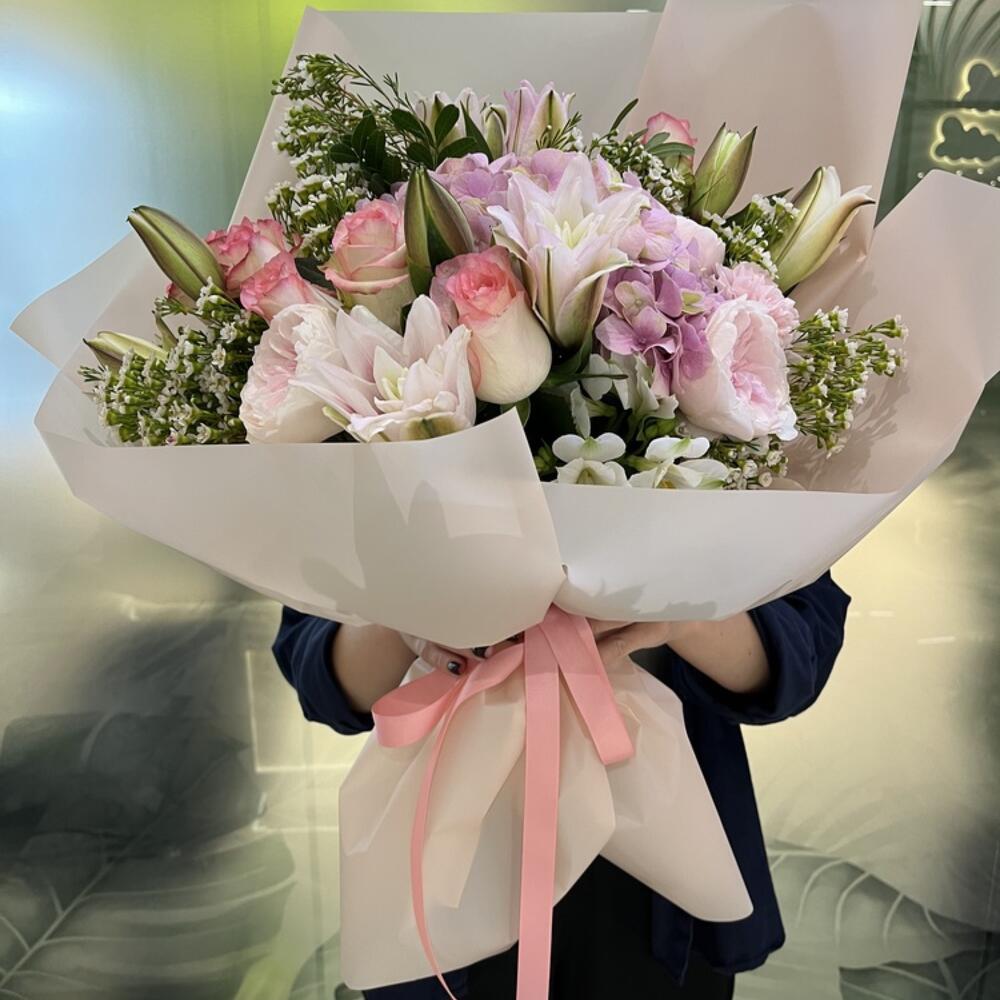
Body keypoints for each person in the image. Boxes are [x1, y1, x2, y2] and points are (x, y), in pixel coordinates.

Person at [273, 571, 851, 999]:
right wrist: (406, 609)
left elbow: (800, 647)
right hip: (448, 849)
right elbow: (319, 673)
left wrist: (682, 610)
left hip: (658, 839)